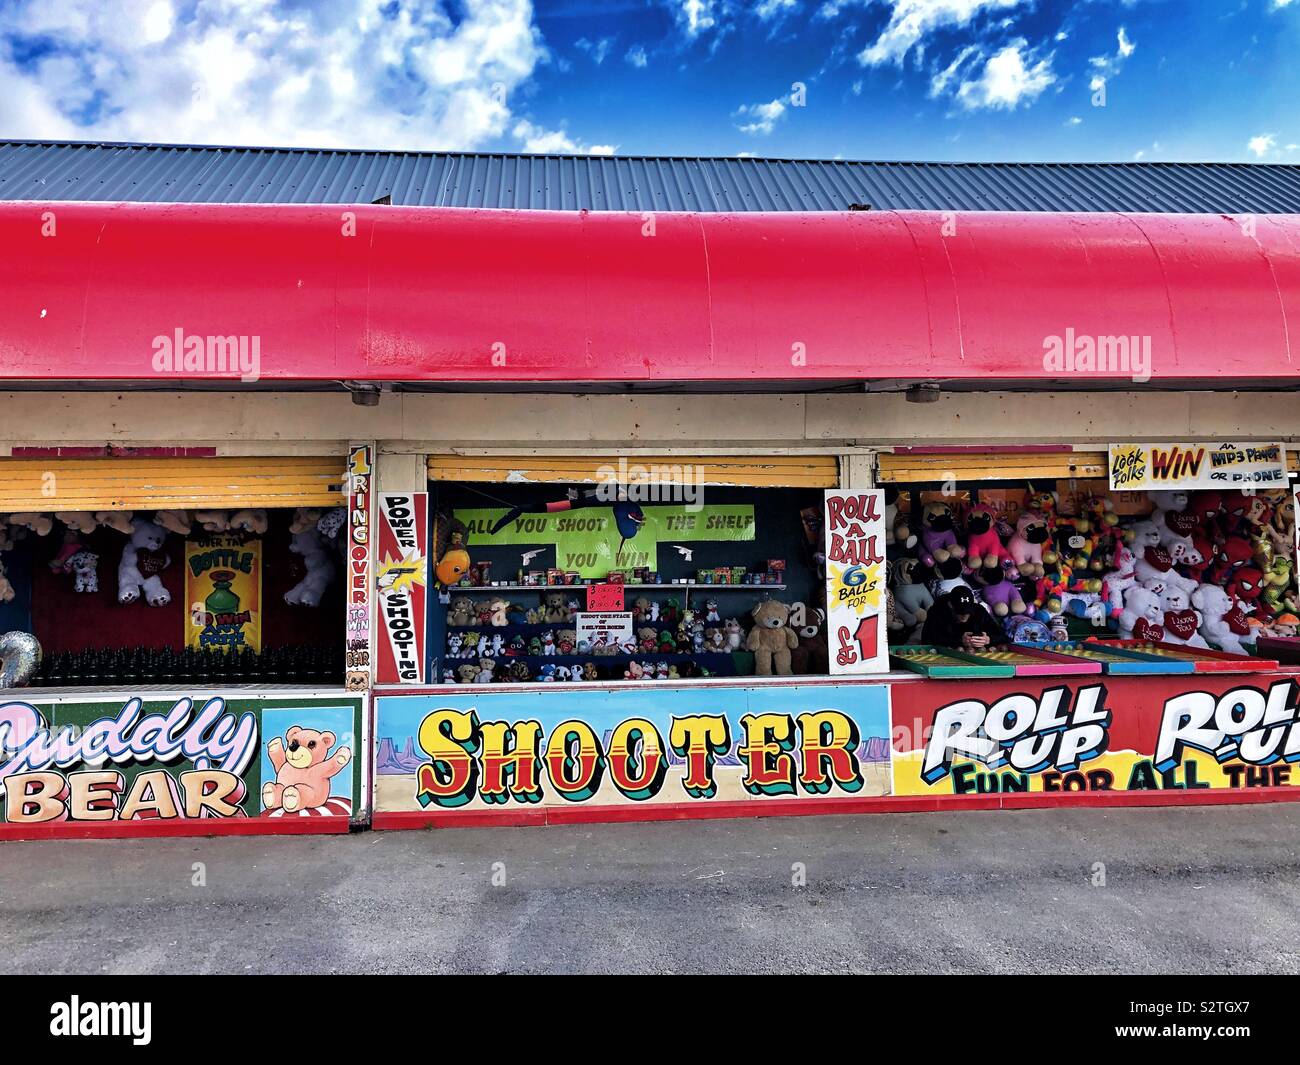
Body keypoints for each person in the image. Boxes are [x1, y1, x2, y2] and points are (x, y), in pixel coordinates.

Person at [921, 586, 1008, 651]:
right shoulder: (937, 611)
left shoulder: (979, 610)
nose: (964, 615)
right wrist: (959, 640)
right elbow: (928, 639)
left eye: (968, 611)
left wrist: (988, 639)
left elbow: (1002, 635)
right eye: (960, 612)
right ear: (950, 605)